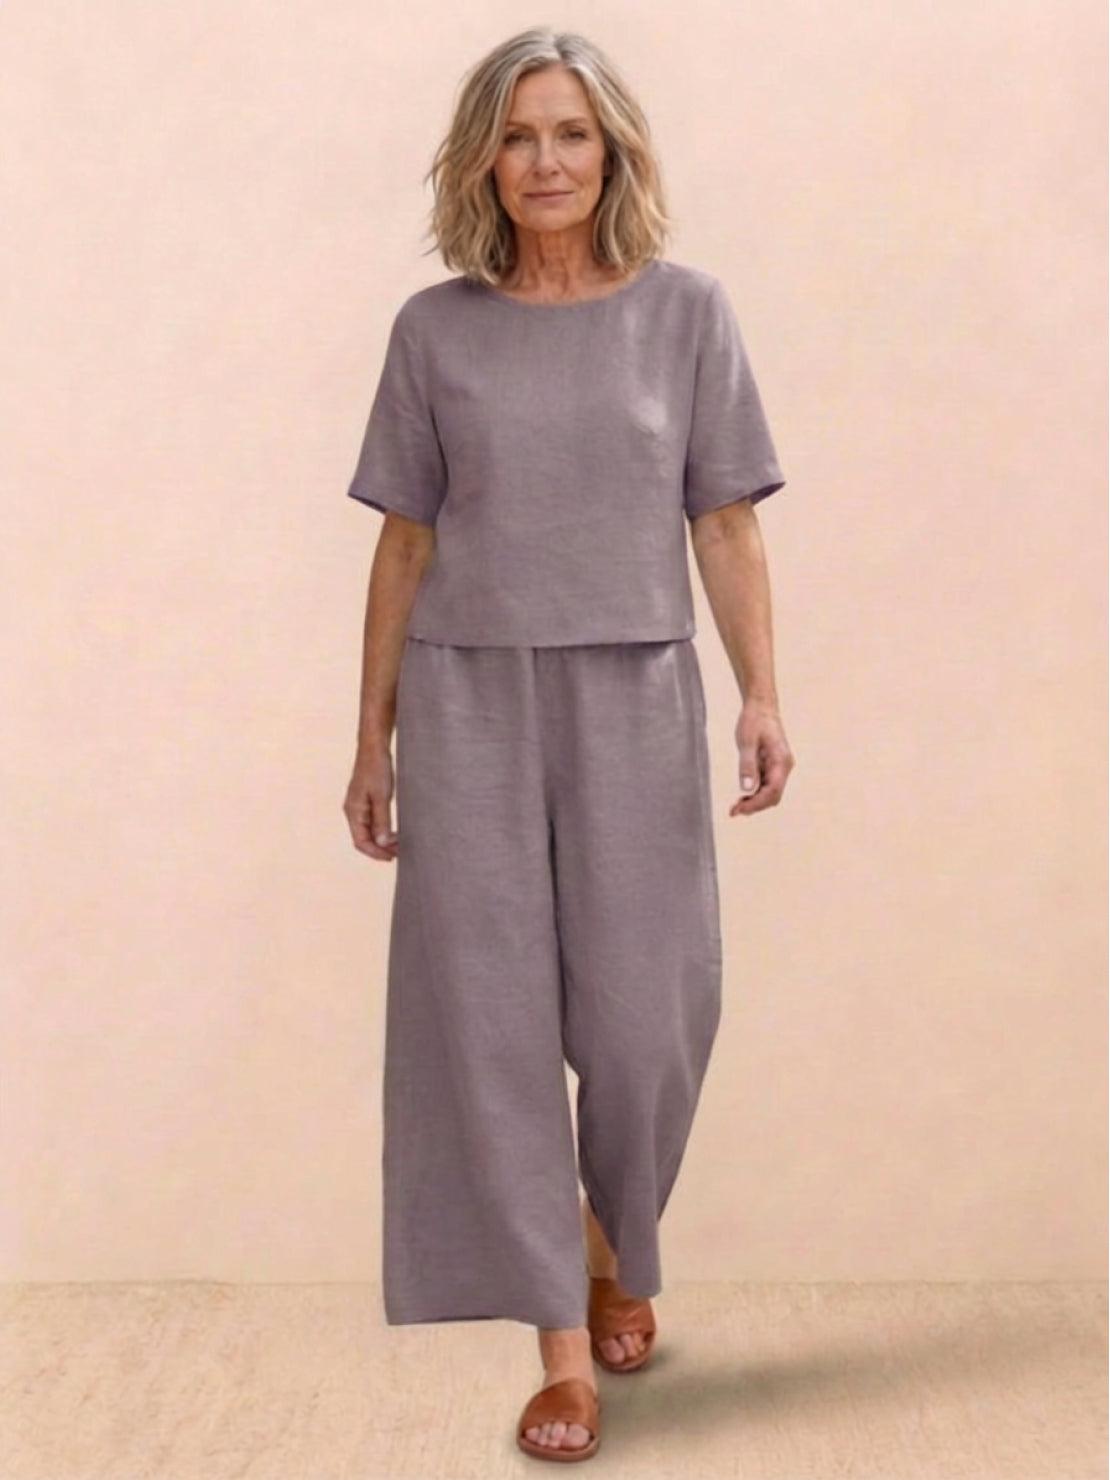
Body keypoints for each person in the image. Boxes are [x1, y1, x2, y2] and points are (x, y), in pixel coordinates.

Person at [341, 26, 795, 1465]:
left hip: (635, 690)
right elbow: (403, 541)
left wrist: (761, 693)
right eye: (519, 135)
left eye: (572, 134)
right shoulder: (435, 331)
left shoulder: (687, 313)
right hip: (467, 697)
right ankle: (559, 1348)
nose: (545, 161)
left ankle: (610, 1244)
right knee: (490, 1026)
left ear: (612, 154)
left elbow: (725, 517)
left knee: (648, 1018)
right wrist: (371, 735)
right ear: (484, 157)